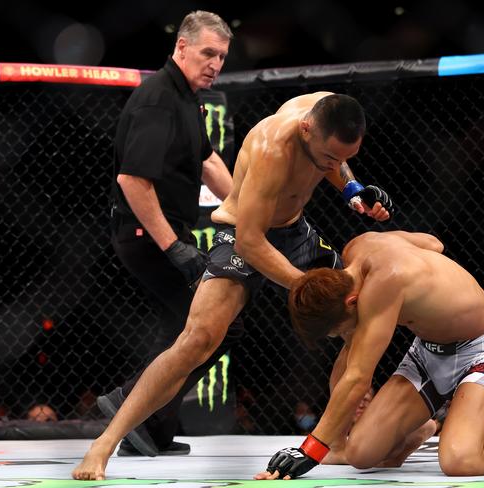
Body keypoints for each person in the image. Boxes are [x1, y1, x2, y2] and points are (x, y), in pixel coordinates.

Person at [72, 88, 393, 479]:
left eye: (345, 158)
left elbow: (335, 161)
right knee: (197, 339)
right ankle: (103, 445)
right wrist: (306, 286)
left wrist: (352, 191)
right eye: (330, 157)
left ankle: (348, 435)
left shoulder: (329, 114)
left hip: (294, 232)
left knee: (359, 318)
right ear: (306, 129)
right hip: (242, 235)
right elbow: (251, 241)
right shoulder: (271, 149)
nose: (335, 164)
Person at [257, 231, 484, 480]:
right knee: (361, 454)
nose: (343, 336)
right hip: (427, 353)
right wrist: (333, 442)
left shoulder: (382, 287)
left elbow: (357, 378)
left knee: (459, 462)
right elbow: (432, 244)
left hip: (483, 350)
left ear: (352, 301)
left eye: (339, 329)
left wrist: (311, 449)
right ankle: (416, 431)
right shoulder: (358, 249)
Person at [95, 10, 240, 459]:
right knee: (205, 325)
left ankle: (150, 428)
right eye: (207, 53)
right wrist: (174, 247)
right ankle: (131, 407)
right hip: (146, 234)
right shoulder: (159, 99)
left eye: (222, 56)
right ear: (181, 48)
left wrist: (250, 212)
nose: (215, 64)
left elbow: (209, 161)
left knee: (197, 327)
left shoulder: (186, 98)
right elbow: (132, 181)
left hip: (162, 232)